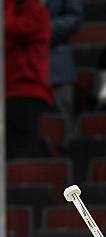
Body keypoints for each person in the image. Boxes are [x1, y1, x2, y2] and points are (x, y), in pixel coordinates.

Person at [5, 0, 53, 159]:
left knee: (21, 154)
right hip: (9, 92)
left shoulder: (37, 12)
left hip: (27, 94)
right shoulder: (15, 11)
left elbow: (7, 27)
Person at [46, 0, 83, 140]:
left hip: (57, 68)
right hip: (21, 67)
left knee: (64, 128)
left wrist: (40, 28)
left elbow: (76, 17)